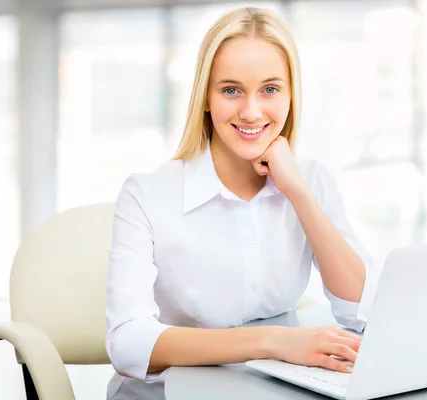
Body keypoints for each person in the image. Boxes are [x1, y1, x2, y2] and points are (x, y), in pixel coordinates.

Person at [104, 7, 379, 400]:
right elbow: (127, 343)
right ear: (205, 98)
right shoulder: (146, 196)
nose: (251, 111)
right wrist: (272, 341)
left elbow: (363, 314)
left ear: (290, 96)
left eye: (270, 89)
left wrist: (299, 194)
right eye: (231, 90)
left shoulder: (311, 180)